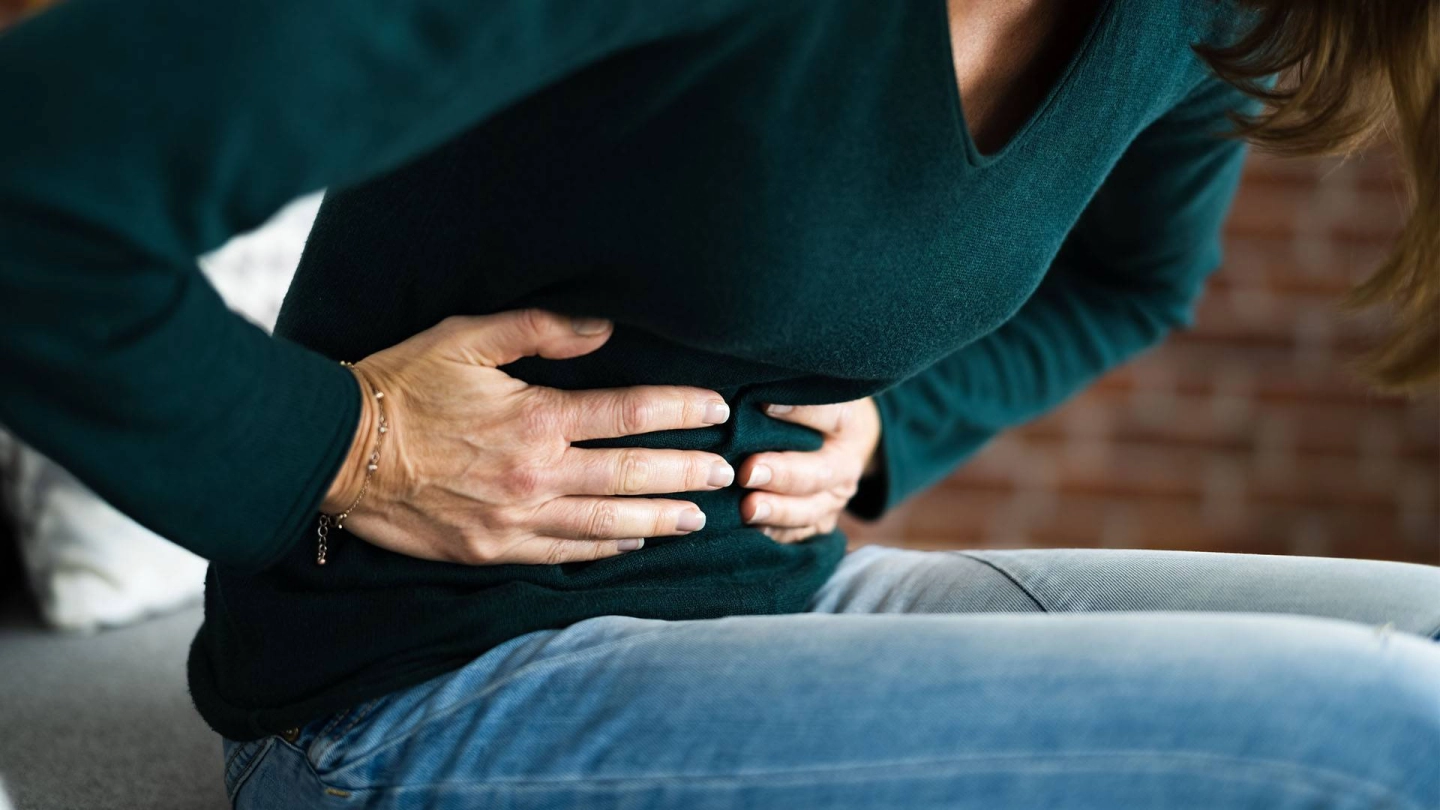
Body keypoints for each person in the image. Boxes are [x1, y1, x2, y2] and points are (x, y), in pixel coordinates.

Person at [2, 0, 1437, 807]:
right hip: (416, 692)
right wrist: (343, 445)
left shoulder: (1202, 14)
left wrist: (898, 421)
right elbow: (32, 190)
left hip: (782, 597)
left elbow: (1133, 281)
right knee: (1400, 733)